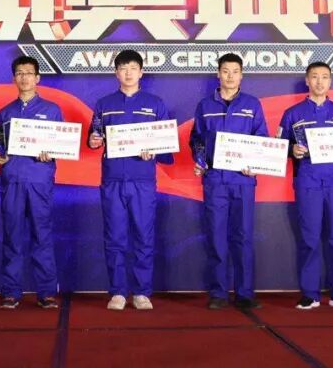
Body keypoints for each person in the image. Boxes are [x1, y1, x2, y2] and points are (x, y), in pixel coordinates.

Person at [88, 50, 174, 311]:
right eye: (123, 68)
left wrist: (154, 151)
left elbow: (166, 146)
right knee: (114, 236)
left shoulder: (155, 104)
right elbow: (94, 136)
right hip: (113, 179)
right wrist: (94, 140)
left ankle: (141, 292)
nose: (128, 73)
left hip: (143, 180)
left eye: (133, 68)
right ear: (116, 73)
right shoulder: (104, 104)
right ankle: (117, 291)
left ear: (141, 72)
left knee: (143, 236)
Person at [278, 61, 333, 310]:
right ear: (307, 80)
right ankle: (310, 293)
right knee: (309, 238)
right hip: (308, 180)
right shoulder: (292, 114)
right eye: (314, 76)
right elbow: (278, 147)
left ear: (330, 81)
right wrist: (291, 150)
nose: (319, 81)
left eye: (324, 77)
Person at [189, 53, 268, 310]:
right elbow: (197, 139)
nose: (230, 76)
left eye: (235, 71)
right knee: (216, 236)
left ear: (241, 75)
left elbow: (262, 139)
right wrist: (200, 160)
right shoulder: (205, 105)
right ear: (218, 74)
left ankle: (245, 293)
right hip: (215, 180)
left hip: (243, 180)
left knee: (243, 236)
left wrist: (256, 164)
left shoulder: (252, 104)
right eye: (225, 71)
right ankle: (218, 293)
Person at [0, 56, 62, 310]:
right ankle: (11, 292)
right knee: (12, 236)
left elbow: (62, 143)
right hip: (12, 181)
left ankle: (47, 293)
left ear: (37, 78)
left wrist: (51, 152)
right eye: (19, 73)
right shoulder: (5, 113)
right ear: (14, 79)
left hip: (39, 181)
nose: (24, 77)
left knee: (42, 236)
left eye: (29, 73)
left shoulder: (52, 110)